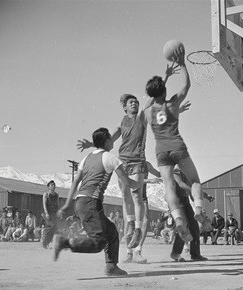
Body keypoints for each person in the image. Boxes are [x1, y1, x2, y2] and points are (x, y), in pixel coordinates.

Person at [77, 64, 180, 263]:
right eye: (130, 102)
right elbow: (109, 141)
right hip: (123, 161)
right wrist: (91, 143)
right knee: (125, 196)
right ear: (124, 107)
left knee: (135, 195)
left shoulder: (142, 117)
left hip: (138, 162)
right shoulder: (121, 123)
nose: (134, 104)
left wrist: (165, 77)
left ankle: (139, 229)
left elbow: (152, 96)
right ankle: (131, 225)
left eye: (135, 102)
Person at [143, 47, 212, 243]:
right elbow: (186, 85)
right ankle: (198, 209)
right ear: (164, 92)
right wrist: (181, 64)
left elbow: (149, 100)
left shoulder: (148, 112)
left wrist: (162, 80)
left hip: (161, 152)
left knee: (169, 189)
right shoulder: (173, 104)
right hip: (178, 147)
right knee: (195, 181)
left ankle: (179, 220)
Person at [53, 127, 140, 276]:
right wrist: (142, 183)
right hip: (91, 202)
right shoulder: (111, 158)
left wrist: (68, 204)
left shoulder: (86, 158)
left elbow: (75, 183)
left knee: (111, 231)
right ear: (106, 141)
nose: (112, 140)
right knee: (98, 241)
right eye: (110, 138)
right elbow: (126, 181)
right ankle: (65, 242)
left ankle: (111, 266)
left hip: (81, 202)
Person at [170, 166, 213, 261]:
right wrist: (196, 192)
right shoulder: (175, 172)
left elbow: (193, 189)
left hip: (185, 201)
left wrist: (205, 195)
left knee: (194, 227)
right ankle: (175, 253)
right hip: (176, 201)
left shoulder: (186, 174)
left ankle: (195, 254)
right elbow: (181, 185)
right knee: (184, 226)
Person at [41, 180, 59, 248]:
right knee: (49, 227)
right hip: (47, 212)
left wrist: (58, 212)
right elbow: (44, 204)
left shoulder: (57, 195)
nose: (53, 186)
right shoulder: (46, 194)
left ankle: (48, 243)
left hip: (54, 212)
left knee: (54, 228)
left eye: (54, 185)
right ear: (48, 187)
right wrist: (46, 213)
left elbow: (57, 204)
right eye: (51, 185)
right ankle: (44, 242)